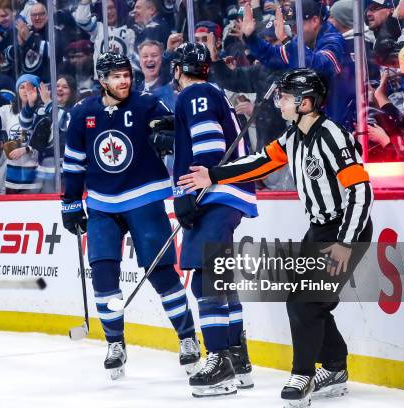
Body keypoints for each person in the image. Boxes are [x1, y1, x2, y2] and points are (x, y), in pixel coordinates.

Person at [177, 68, 374, 408]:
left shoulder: (333, 136)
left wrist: (345, 242)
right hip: (320, 229)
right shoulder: (293, 137)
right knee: (312, 302)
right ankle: (335, 367)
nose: (280, 102)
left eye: (286, 97)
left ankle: (303, 374)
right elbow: (260, 162)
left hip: (345, 230)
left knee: (303, 302)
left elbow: (360, 192)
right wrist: (214, 175)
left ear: (305, 102)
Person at [61, 51, 200, 380]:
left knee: (161, 272)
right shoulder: (83, 113)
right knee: (104, 273)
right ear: (102, 81)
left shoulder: (148, 104)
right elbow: (74, 162)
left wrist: (169, 136)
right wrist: (69, 202)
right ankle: (115, 343)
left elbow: (179, 134)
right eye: (117, 76)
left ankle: (188, 339)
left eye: (127, 74)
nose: (124, 80)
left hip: (145, 198)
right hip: (101, 205)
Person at [170, 42, 257, 398]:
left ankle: (219, 361)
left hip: (215, 194)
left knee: (206, 280)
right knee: (218, 276)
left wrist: (190, 194)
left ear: (179, 70)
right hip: (228, 194)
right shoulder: (212, 92)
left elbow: (207, 146)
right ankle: (238, 360)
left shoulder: (195, 93)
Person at [240, 0, 356, 129]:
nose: (294, 30)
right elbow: (272, 56)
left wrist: (286, 40)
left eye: (297, 25)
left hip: (340, 126)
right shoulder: (301, 41)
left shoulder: (334, 41)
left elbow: (317, 68)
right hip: (316, 123)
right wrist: (251, 38)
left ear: (315, 21)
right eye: (292, 26)